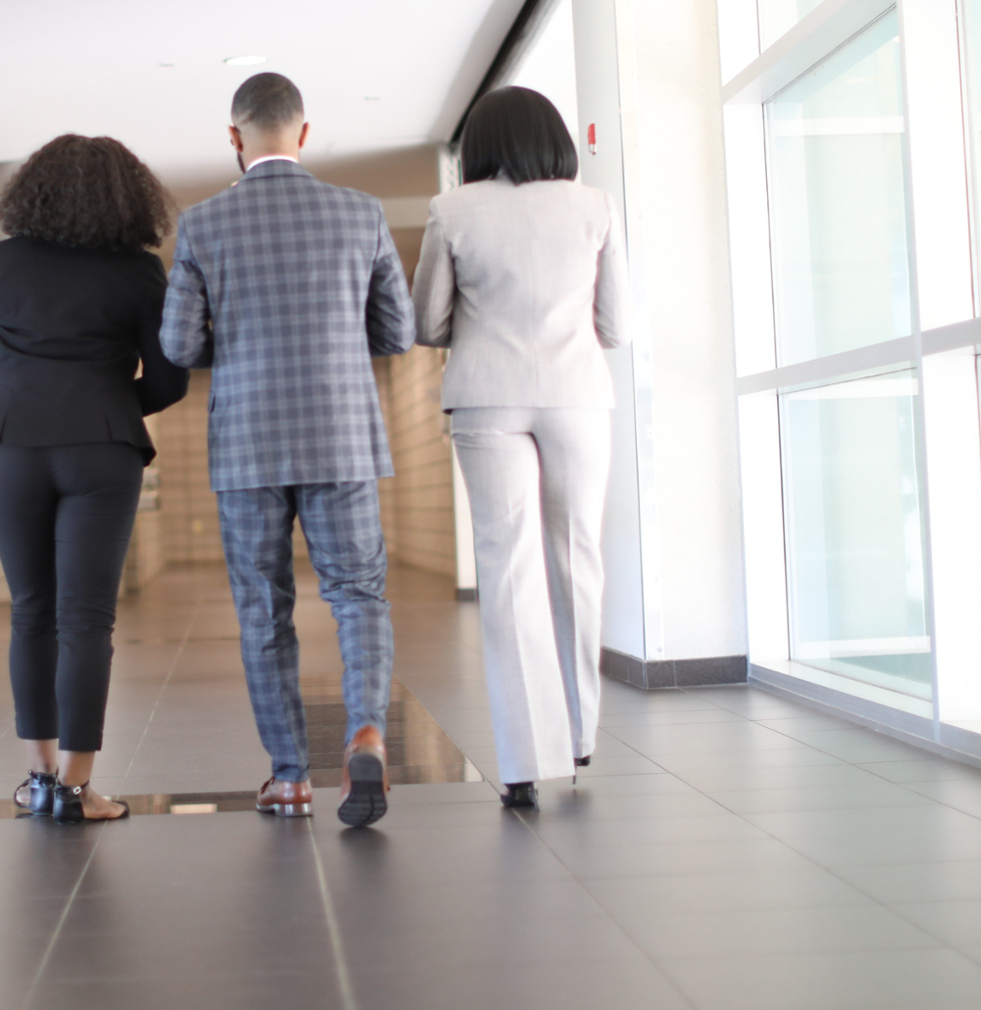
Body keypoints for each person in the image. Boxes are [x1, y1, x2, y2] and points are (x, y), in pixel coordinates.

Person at [161, 72, 415, 827]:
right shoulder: (362, 214)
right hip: (342, 437)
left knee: (262, 608)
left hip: (246, 444)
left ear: (234, 139)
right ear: (303, 134)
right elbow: (397, 333)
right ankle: (366, 727)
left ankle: (291, 775)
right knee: (357, 594)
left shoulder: (202, 224)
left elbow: (177, 345)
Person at [0, 134, 190, 823]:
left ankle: (38, 780)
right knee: (87, 618)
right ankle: (80, 789)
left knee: (32, 611)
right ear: (129, 196)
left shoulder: (3, 262)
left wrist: (31, 392)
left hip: (11, 444)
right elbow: (170, 377)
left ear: (36, 191)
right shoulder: (139, 271)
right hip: (101, 450)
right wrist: (110, 404)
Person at [410, 86, 630, 810]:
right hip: (577, 395)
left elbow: (429, 321)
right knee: (578, 558)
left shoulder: (453, 211)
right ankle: (579, 734)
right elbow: (615, 325)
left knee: (507, 571)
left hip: (486, 395)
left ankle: (522, 760)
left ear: (481, 145)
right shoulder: (593, 206)